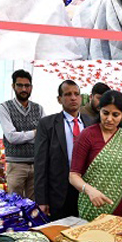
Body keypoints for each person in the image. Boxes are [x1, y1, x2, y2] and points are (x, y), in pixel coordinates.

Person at [70, 90, 122, 222]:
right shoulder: (87, 135)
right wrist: (89, 190)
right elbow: (73, 176)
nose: (109, 119)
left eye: (115, 115)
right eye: (105, 113)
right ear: (99, 110)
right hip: (91, 205)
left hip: (120, 206)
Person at [34, 80, 90, 220]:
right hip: (59, 192)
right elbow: (41, 163)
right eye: (68, 94)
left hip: (86, 189)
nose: (73, 98)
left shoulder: (91, 122)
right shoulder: (47, 124)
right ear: (59, 99)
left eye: (76, 94)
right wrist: (42, 200)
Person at [0, 70, 44, 199]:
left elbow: (44, 135)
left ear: (31, 87)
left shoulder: (38, 109)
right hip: (16, 165)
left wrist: (22, 136)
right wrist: (35, 133)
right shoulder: (5, 107)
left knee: (34, 206)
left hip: (36, 165)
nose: (24, 89)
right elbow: (11, 137)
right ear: (13, 86)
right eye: (20, 85)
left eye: (27, 86)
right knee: (15, 204)